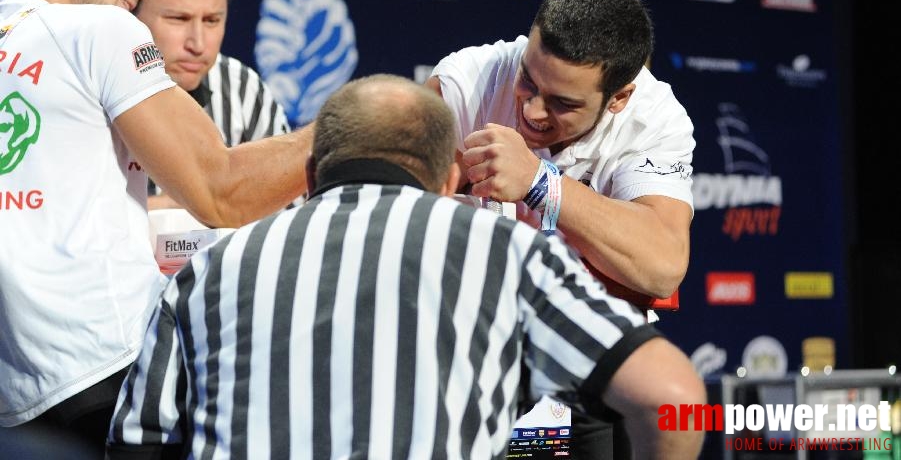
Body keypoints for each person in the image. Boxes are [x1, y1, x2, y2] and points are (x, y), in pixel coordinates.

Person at [105, 74, 706, 460]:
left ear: (311, 175)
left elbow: (137, 443)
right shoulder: (506, 254)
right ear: (450, 179)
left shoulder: (208, 272)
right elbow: (673, 397)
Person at [0, 0, 312, 454]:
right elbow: (225, 193)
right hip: (113, 374)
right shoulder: (101, 29)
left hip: (14, 395)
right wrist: (350, 127)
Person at [425, 0, 696, 457]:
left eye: (562, 103)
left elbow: (663, 263)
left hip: (574, 357)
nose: (531, 110)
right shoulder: (469, 80)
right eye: (528, 79)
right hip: (465, 349)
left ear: (618, 98)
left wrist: (541, 183)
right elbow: (391, 212)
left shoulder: (653, 118)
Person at [135, 0, 291, 210]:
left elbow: (287, 209)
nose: (197, 44)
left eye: (211, 21)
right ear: (131, 14)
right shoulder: (92, 84)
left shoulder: (242, 87)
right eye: (178, 19)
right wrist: (193, 207)